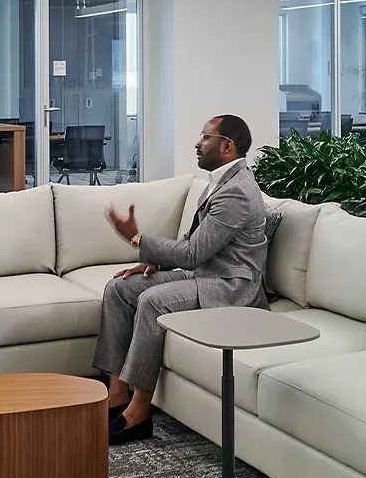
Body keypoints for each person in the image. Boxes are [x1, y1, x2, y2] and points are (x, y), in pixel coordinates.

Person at [96, 115, 270, 441]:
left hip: (230, 287)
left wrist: (137, 240)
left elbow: (193, 253)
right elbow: (198, 246)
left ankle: (139, 412)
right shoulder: (218, 181)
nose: (197, 144)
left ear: (227, 146)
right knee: (120, 288)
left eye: (205, 137)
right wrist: (155, 262)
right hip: (204, 274)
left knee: (152, 301)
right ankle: (117, 394)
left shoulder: (237, 192)